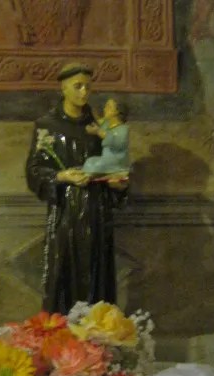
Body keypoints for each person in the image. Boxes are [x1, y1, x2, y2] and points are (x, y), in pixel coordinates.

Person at [25, 62, 127, 314]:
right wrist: (61, 176)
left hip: (97, 210)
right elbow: (34, 170)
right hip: (65, 212)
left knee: (96, 275)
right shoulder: (47, 126)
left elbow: (115, 160)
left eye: (88, 87)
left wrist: (118, 184)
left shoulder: (99, 126)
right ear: (63, 88)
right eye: (78, 86)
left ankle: (98, 331)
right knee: (64, 272)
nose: (84, 92)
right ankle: (61, 332)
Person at [82, 98, 130, 177]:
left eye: (109, 107)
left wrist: (99, 132)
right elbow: (95, 124)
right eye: (105, 106)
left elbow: (118, 143)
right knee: (90, 161)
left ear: (117, 111)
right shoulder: (106, 124)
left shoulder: (123, 129)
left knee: (94, 166)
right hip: (105, 158)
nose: (105, 109)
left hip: (117, 160)